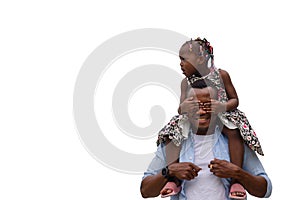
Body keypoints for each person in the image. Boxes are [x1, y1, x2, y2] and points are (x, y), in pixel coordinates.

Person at [156, 37, 264, 198]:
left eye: (184, 59)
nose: (180, 64)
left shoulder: (221, 75)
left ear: (200, 59)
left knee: (234, 133)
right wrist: (184, 107)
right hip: (195, 118)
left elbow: (235, 99)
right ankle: (174, 179)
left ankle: (236, 181)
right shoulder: (185, 83)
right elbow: (180, 108)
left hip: (221, 114)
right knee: (172, 134)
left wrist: (223, 106)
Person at [140, 81, 272, 200]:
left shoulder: (234, 142)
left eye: (208, 105)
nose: (202, 111)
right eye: (194, 106)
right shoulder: (174, 140)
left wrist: (237, 173)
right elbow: (145, 190)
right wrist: (169, 171)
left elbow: (265, 189)